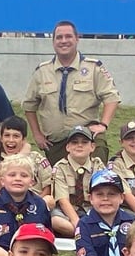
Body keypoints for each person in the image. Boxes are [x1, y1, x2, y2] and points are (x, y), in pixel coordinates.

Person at [22, 20, 120, 164]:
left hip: (88, 138)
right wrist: (37, 134)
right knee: (60, 183)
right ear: (53, 41)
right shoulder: (42, 72)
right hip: (56, 143)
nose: (64, 41)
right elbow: (29, 106)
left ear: (77, 39)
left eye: (68, 36)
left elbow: (111, 97)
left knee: (95, 182)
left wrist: (103, 124)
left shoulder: (93, 68)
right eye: (59, 37)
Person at [66, 168, 135, 256]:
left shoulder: (132, 222)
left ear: (121, 198)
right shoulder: (84, 225)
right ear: (91, 198)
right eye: (99, 194)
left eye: (111, 194)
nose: (105, 199)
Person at [51, 124, 107, 238]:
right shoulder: (60, 167)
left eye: (84, 142)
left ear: (92, 147)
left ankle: (83, 233)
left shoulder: (98, 166)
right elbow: (63, 201)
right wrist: (77, 223)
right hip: (68, 212)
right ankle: (89, 233)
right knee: (55, 221)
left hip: (92, 210)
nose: (79, 145)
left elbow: (102, 195)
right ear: (67, 147)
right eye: (74, 142)